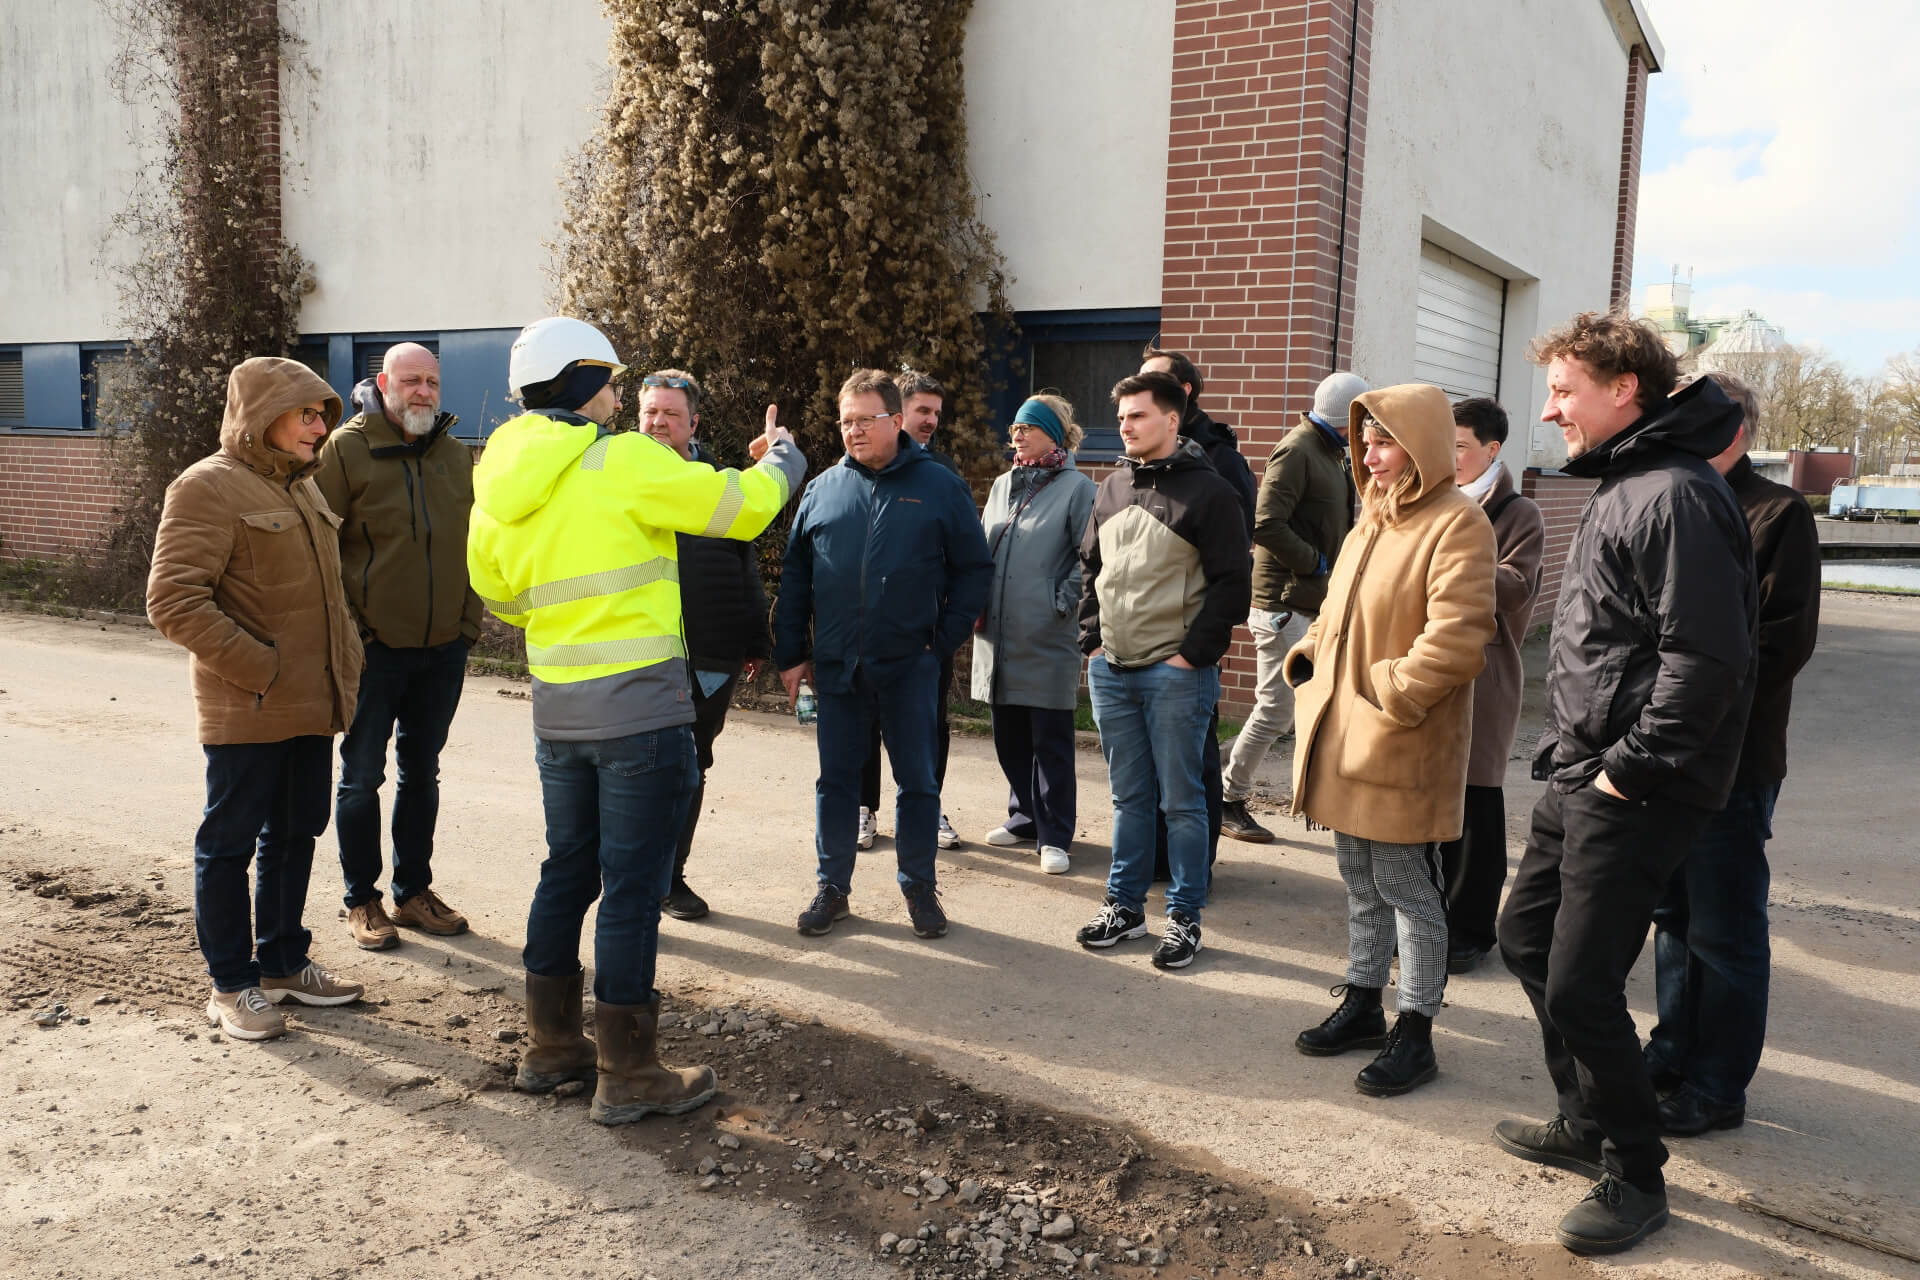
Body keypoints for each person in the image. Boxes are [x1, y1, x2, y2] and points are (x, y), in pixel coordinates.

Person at [467, 317, 805, 1125]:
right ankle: (628, 1072)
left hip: (558, 709)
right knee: (631, 885)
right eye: (612, 384)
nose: (619, 399)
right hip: (642, 715)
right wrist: (784, 462)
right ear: (583, 381)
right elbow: (740, 508)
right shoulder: (620, 459)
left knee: (567, 869)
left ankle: (551, 1048)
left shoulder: (499, 474)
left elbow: (496, 591)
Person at [1493, 312, 1754, 1256]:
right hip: (1581, 768)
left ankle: (1636, 1174)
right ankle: (1585, 1117)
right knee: (1526, 939)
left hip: (1635, 785)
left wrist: (1625, 774)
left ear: (1623, 389)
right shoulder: (1626, 481)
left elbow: (1707, 662)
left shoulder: (1674, 494)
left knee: (1581, 984)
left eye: (1565, 391)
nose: (1550, 410)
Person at [147, 356, 367, 1042]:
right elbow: (173, 600)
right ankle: (231, 985)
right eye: (304, 414)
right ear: (260, 417)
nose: (318, 427)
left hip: (311, 704)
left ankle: (281, 964)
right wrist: (263, 669)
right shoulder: (205, 487)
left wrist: (344, 664)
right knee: (229, 845)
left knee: (296, 833)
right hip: (249, 706)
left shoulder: (303, 486)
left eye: (322, 415)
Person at [1286, 386, 1495, 1094]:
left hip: (1403, 739)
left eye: (1383, 444)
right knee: (1358, 877)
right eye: (1364, 443)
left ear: (1421, 446)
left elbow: (1458, 638)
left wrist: (1389, 694)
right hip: (1343, 733)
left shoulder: (1458, 522)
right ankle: (1362, 1001)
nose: (1368, 458)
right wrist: (1308, 661)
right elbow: (1334, 613)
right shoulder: (1370, 519)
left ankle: (1417, 1029)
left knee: (1405, 884)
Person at [1645, 371, 1821, 1135]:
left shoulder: (1778, 512)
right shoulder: (1674, 500)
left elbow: (1781, 642)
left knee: (1724, 926)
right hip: (1662, 753)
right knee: (1674, 914)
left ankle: (1717, 1086)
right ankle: (1673, 1049)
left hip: (1733, 759)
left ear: (1733, 429)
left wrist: (1689, 709)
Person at [774, 369, 992, 940]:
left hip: (910, 666)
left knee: (917, 782)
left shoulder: (939, 485)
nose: (853, 431)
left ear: (896, 421)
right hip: (837, 667)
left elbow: (974, 570)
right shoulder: (823, 489)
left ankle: (918, 886)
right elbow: (796, 580)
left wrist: (940, 641)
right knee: (836, 783)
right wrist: (792, 655)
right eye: (845, 421)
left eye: (864, 420)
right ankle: (832, 887)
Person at [1074, 371, 1250, 970]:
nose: (1125, 425)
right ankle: (1124, 908)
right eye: (1121, 416)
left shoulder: (1210, 492)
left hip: (1175, 673)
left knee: (1183, 803)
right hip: (1113, 670)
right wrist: (1093, 644)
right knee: (1129, 798)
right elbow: (1090, 569)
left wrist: (1190, 657)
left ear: (1172, 420)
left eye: (1138, 415)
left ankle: (1184, 918)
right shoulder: (1111, 487)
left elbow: (1232, 585)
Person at [311, 342, 481, 950]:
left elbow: (476, 541)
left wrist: (467, 622)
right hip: (372, 651)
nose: (423, 392)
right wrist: (355, 631)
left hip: (443, 648)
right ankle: (361, 899)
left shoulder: (455, 454)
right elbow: (319, 546)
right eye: (410, 381)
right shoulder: (345, 450)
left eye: (431, 381)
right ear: (383, 384)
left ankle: (413, 893)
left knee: (421, 772)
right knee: (361, 777)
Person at [637, 369, 773, 921]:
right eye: (650, 412)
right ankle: (631, 884)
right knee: (634, 772)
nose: (658, 422)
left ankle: (671, 879)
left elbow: (745, 564)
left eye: (670, 414)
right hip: (639, 656)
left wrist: (755, 639)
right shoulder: (617, 478)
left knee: (690, 769)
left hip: (710, 656)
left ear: (693, 424)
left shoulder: (719, 484)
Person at [1219, 371, 1367, 843]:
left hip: (1311, 601)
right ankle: (1226, 797)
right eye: (1361, 416)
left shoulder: (1333, 452)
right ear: (1345, 415)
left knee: (1304, 707)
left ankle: (1314, 796)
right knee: (1276, 709)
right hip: (1283, 604)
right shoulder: (1298, 449)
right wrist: (1315, 562)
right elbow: (1265, 523)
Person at [1136, 346, 1253, 874]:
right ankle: (1153, 858)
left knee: (1192, 759)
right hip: (1137, 641)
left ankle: (1193, 866)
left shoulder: (1221, 463)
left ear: (1181, 395)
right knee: (1145, 764)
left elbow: (1233, 565)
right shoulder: (1138, 464)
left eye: (1151, 383)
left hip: (1188, 646)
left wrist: (1196, 649)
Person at [1439, 396, 1544, 973]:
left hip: (1486, 674)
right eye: (1444, 445)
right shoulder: (1432, 497)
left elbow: (1515, 587)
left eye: (1459, 446)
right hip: (1430, 669)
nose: (1449, 456)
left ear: (1491, 449)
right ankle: (1427, 919)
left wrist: (1452, 556)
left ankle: (1470, 931)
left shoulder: (1517, 512)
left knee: (1477, 805)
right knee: (1431, 801)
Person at [973, 394, 1096, 875]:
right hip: (998, 633)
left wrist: (1060, 602)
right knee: (1009, 736)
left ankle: (1054, 834)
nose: (1018, 435)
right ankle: (1024, 818)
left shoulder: (1077, 488)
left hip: (1046, 633)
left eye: (1029, 427)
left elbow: (1090, 558)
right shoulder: (1003, 484)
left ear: (1054, 435)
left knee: (1050, 741)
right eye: (1015, 428)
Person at [857, 370, 964, 852]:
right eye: (923, 410)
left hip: (926, 632)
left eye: (937, 413)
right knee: (865, 719)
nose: (932, 421)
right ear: (896, 413)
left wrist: (948, 628)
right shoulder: (857, 471)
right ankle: (864, 808)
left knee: (929, 724)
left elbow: (964, 557)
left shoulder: (942, 473)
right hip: (868, 630)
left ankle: (926, 805)